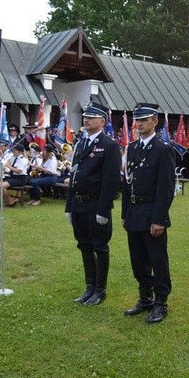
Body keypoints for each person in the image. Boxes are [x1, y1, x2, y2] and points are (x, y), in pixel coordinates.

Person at [121, 103, 176, 324]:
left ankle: (161, 302)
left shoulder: (163, 150)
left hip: (152, 212)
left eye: (145, 119)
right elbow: (126, 183)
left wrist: (159, 219)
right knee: (138, 259)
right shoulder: (132, 148)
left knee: (157, 259)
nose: (140, 123)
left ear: (155, 122)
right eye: (138, 120)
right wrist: (125, 213)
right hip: (134, 212)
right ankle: (145, 297)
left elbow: (166, 188)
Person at [65, 103, 121, 306]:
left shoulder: (110, 145)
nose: (86, 120)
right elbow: (74, 176)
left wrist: (103, 209)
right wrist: (68, 206)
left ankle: (100, 290)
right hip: (78, 204)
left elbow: (111, 181)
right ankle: (89, 288)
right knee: (84, 246)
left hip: (95, 204)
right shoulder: (80, 144)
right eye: (85, 117)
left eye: (91, 117)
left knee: (100, 246)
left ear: (102, 121)